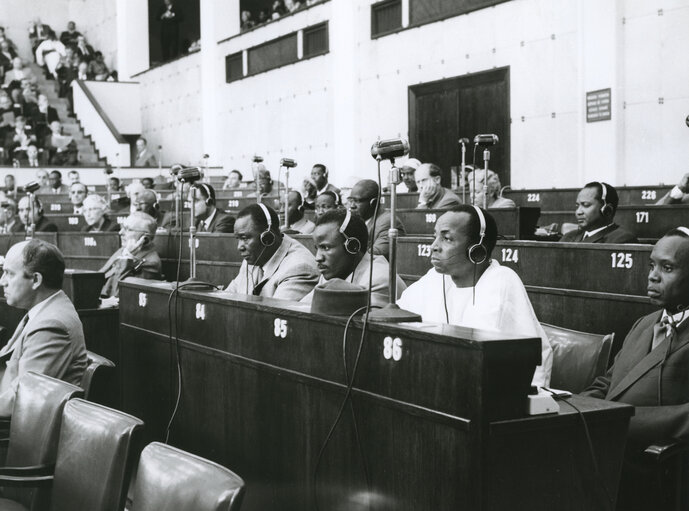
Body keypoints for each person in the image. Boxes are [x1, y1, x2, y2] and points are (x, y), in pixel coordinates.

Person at [581, 228, 689, 509]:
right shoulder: (644, 323)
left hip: (653, 463)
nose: (653, 275)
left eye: (667, 268)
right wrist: (578, 407)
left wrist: (618, 421)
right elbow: (609, 382)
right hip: (607, 447)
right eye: (652, 265)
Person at [397, 205, 553, 387]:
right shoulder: (435, 277)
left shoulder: (501, 280)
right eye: (435, 237)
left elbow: (518, 361)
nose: (433, 247)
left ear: (477, 250)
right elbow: (399, 314)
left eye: (446, 238)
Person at [0, 239, 88, 416]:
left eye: (9, 273)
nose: (2, 281)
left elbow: (21, 400)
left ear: (35, 279)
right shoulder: (44, 309)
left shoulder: (52, 325)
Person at [301, 209, 406, 306]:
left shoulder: (379, 280)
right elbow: (302, 308)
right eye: (317, 248)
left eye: (326, 247)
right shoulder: (332, 273)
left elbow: (359, 323)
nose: (318, 258)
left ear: (352, 246)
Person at [225, 203, 318, 300]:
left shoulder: (299, 268)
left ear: (267, 237)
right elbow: (229, 295)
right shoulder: (254, 257)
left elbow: (277, 314)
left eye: (245, 238)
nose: (239, 247)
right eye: (238, 238)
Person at [99, 212, 163, 299]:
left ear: (145, 238)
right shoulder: (123, 251)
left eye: (127, 229)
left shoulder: (152, 263)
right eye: (122, 228)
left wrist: (128, 257)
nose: (120, 232)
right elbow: (99, 277)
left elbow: (116, 294)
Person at [559, 182, 638, 243]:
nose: (578, 212)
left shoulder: (622, 239)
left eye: (586, 205)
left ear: (607, 210)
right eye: (577, 206)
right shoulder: (568, 237)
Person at [348, 179, 405, 258]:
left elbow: (375, 255)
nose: (352, 206)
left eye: (357, 201)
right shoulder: (356, 221)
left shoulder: (388, 222)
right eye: (350, 200)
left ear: (374, 203)